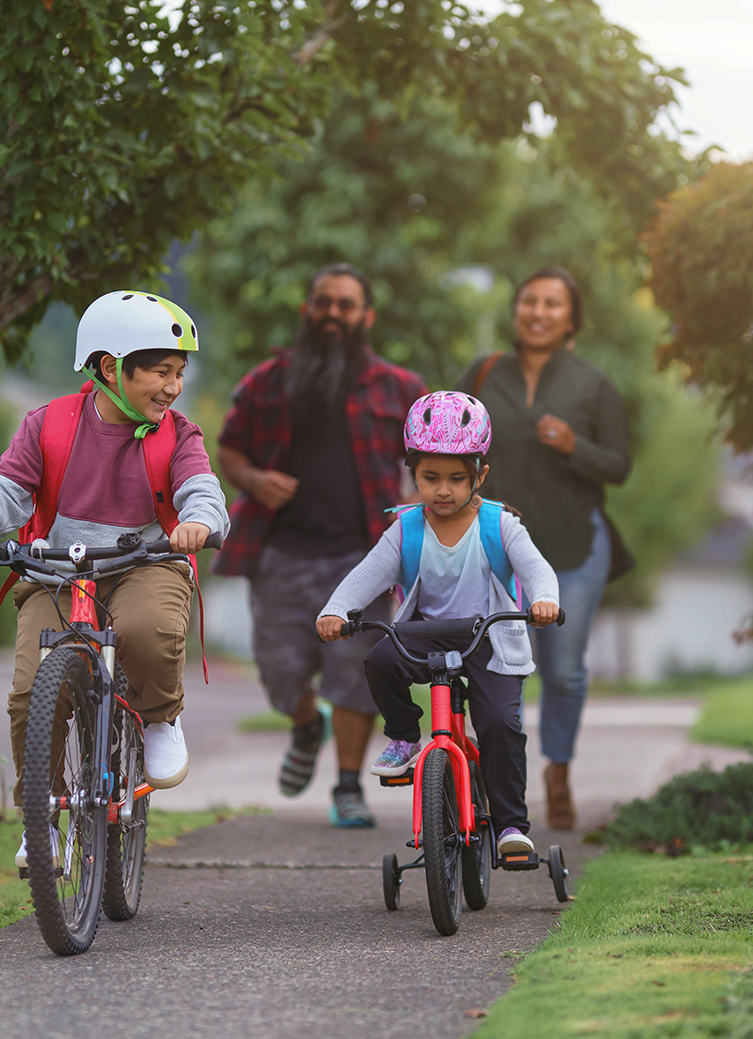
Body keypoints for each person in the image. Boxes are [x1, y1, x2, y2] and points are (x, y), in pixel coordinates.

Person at [0, 291, 230, 867]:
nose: (173, 387)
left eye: (179, 373)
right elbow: (3, 489)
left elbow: (202, 490)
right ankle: (42, 818)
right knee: (31, 691)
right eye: (159, 372)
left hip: (146, 563)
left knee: (147, 630)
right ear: (110, 369)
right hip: (58, 569)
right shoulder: (48, 425)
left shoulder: (180, 435)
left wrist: (200, 521)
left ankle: (158, 716)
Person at [215, 263, 428, 828]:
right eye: (324, 302)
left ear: (367, 316)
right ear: (309, 309)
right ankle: (306, 724)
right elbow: (229, 448)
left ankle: (348, 787)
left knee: (355, 673)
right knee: (280, 671)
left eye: (346, 304)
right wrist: (254, 480)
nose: (334, 312)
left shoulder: (401, 389)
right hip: (280, 554)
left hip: (364, 555)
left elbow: (437, 463)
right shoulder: (268, 381)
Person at [316, 391, 561, 855]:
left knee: (499, 725)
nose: (442, 490)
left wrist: (545, 599)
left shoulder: (499, 524)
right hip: (424, 636)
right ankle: (406, 736)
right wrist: (335, 610)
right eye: (430, 478)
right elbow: (364, 577)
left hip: (490, 638)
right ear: (412, 474)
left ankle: (510, 827)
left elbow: (536, 569)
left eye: (455, 479)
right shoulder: (406, 529)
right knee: (381, 659)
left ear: (480, 476)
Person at [459, 267, 631, 830]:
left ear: (571, 319)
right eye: (529, 300)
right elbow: (450, 445)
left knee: (562, 672)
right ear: (516, 311)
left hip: (574, 547)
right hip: (495, 548)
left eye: (552, 304)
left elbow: (619, 465)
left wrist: (574, 444)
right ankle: (488, 779)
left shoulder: (593, 383)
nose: (538, 311)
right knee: (494, 668)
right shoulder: (483, 374)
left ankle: (557, 771)